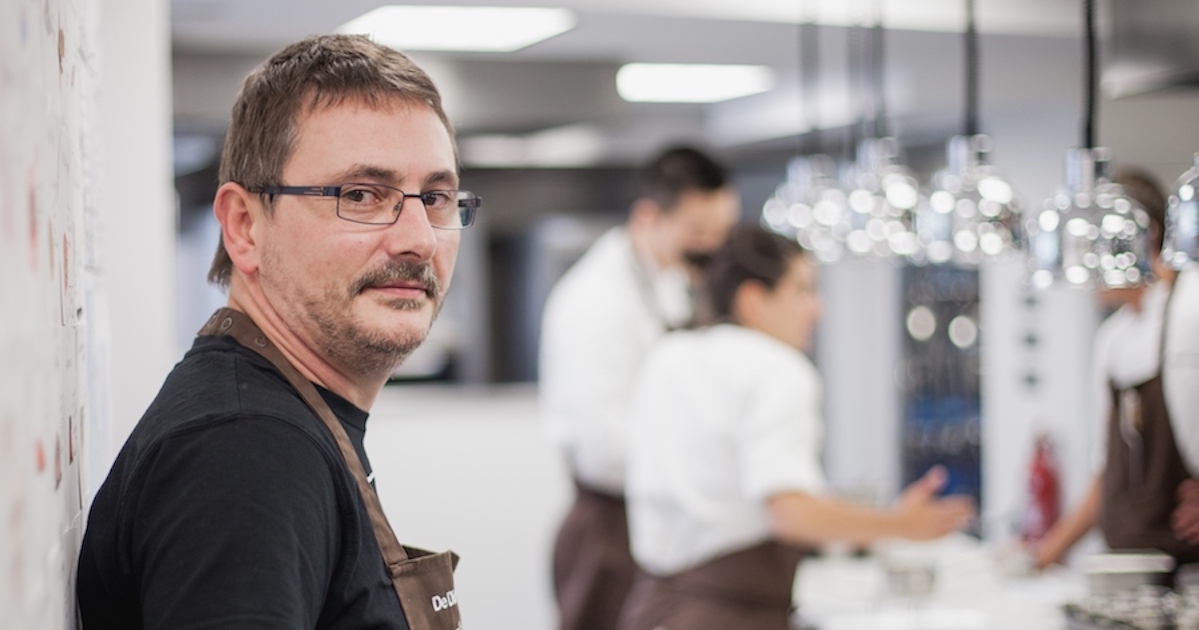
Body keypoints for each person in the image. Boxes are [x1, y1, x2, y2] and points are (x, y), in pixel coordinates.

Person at [77, 35, 477, 629]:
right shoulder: (243, 453)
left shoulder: (281, 424)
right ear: (244, 226)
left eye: (437, 198)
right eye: (361, 195)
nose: (419, 239)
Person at [617, 226, 975, 630]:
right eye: (802, 291)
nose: (817, 308)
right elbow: (791, 513)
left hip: (650, 611)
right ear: (754, 300)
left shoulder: (668, 356)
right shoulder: (776, 370)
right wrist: (901, 524)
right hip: (727, 618)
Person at [538, 147, 741, 630]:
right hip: (609, 533)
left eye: (721, 232)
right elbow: (602, 450)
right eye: (698, 232)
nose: (712, 248)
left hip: (652, 519)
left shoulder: (666, 276)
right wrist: (706, 467)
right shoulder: (598, 301)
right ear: (648, 217)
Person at [1034, 168, 1199, 571]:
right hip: (1125, 569)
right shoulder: (1113, 339)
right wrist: (1043, 556)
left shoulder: (1191, 308)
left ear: (1146, 234)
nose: (1085, 262)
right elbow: (1105, 473)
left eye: (1095, 244)